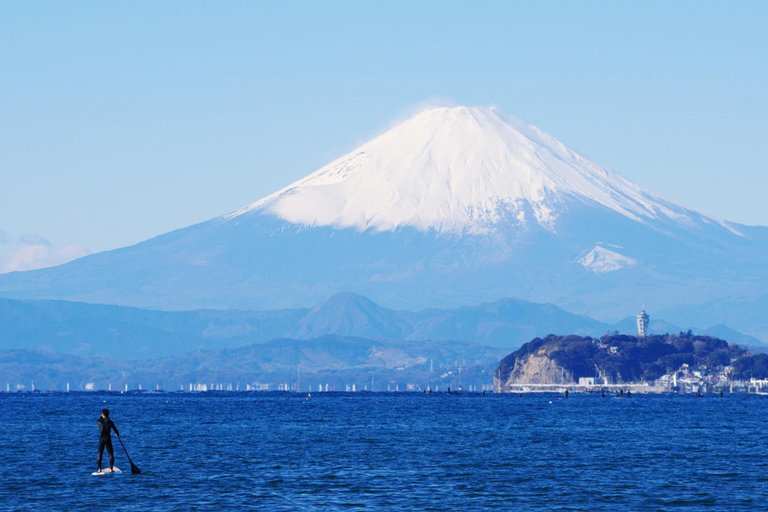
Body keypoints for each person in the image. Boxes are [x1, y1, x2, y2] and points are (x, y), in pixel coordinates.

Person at [97, 409, 120, 473]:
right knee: (110, 453)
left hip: (101, 439)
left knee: (100, 454)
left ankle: (99, 469)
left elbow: (100, 419)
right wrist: (117, 434)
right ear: (108, 414)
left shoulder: (99, 421)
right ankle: (111, 468)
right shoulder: (110, 422)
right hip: (108, 439)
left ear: (102, 414)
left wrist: (103, 416)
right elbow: (116, 430)